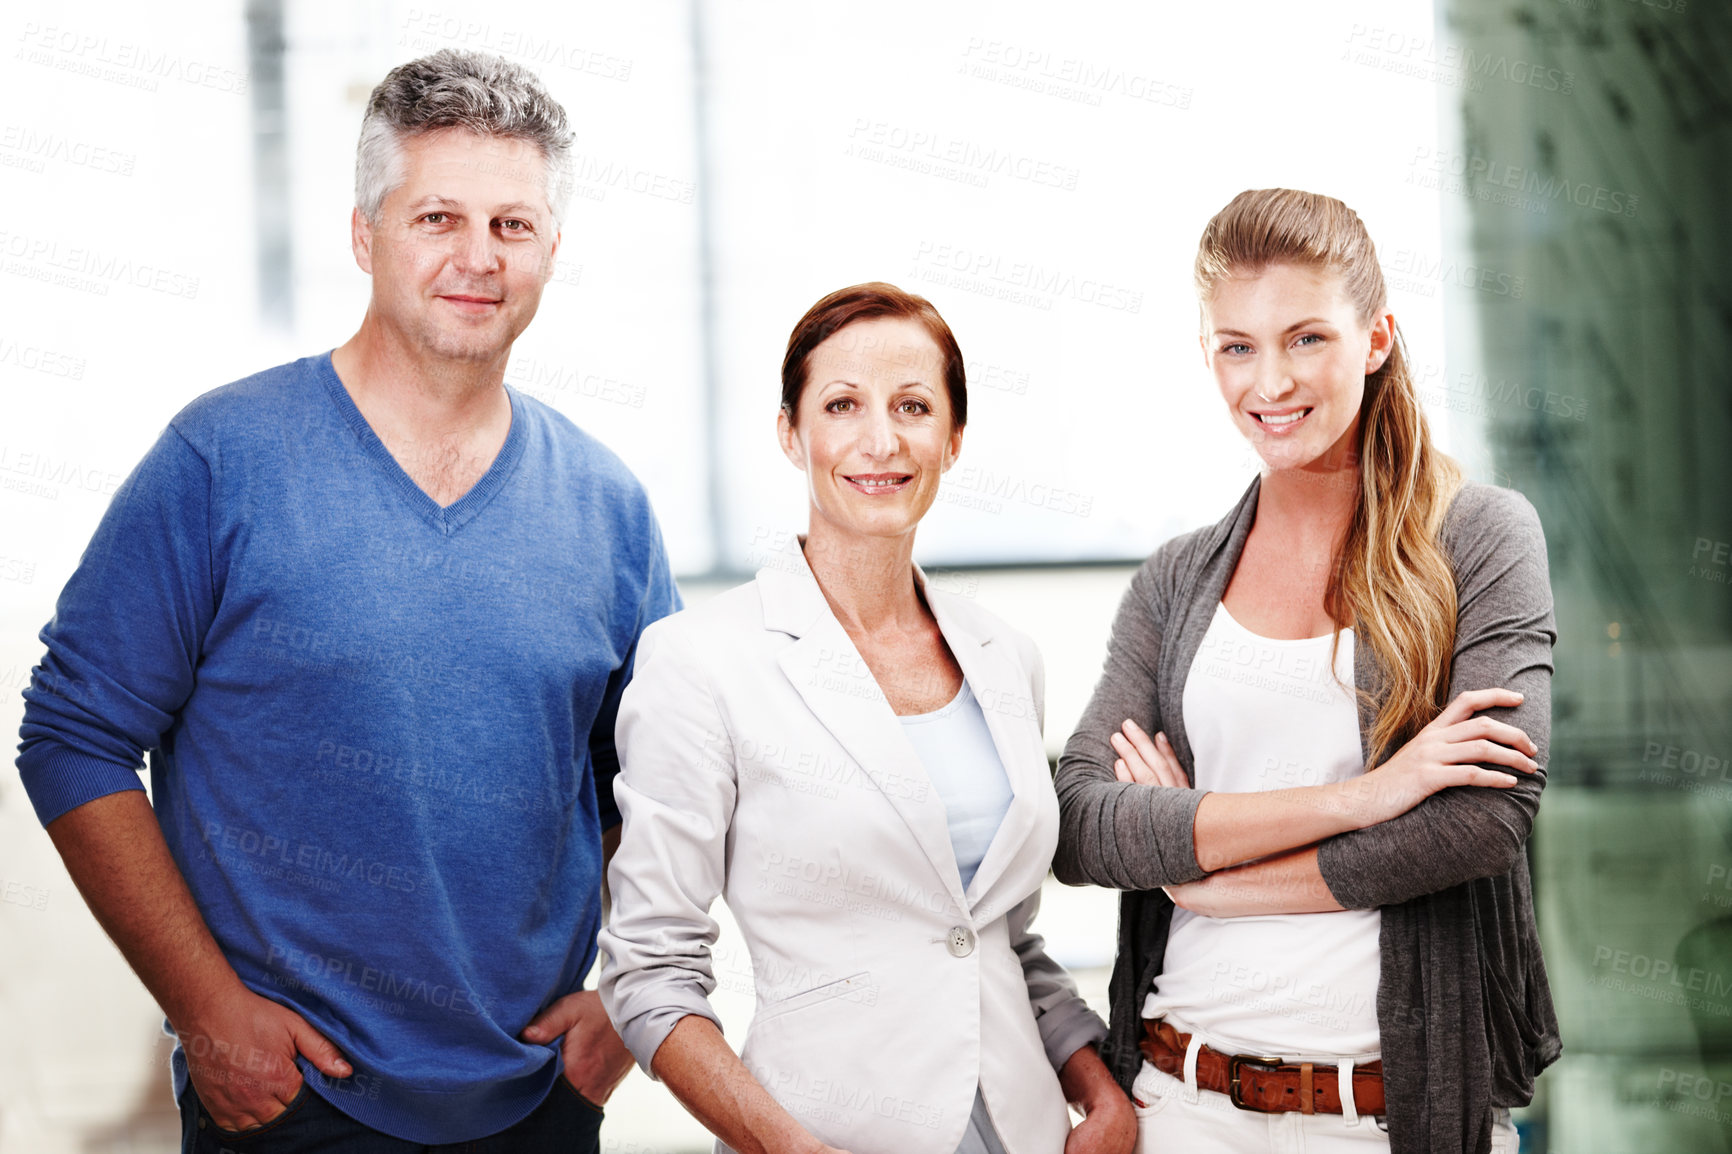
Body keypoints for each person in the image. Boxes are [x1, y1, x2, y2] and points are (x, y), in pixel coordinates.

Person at [15, 50, 678, 1151]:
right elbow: (72, 735)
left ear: (553, 249)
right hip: (286, 1100)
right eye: (437, 218)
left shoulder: (607, 504)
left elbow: (663, 795)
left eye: (512, 226)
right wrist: (205, 1010)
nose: (478, 258)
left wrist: (625, 1004)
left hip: (535, 1100)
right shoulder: (222, 460)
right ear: (364, 234)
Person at [1053, 188, 1560, 1154]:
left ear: (1375, 340)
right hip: (1181, 1099)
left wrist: (1203, 876)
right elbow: (1083, 823)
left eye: (1306, 338)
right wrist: (1367, 796)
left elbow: (1481, 819)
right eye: (1236, 345)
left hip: (1391, 1116)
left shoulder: (1482, 537)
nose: (1270, 380)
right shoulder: (1175, 579)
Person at [598, 283, 1135, 1154]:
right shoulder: (701, 662)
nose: (880, 441)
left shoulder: (1006, 657)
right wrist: (787, 1147)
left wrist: (1100, 1091)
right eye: (842, 404)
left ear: (954, 439)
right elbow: (650, 971)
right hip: (829, 1134)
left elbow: (997, 938)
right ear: (791, 431)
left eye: (913, 407)